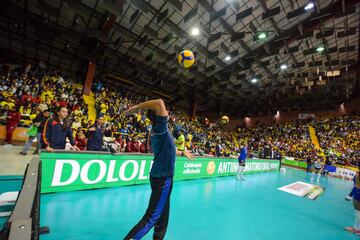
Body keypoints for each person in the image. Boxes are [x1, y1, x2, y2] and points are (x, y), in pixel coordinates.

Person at [121, 99, 193, 240]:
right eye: (164, 111)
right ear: (158, 115)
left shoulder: (162, 133)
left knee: (163, 214)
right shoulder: (160, 129)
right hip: (162, 179)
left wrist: (183, 152)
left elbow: (169, 150)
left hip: (163, 177)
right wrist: (134, 108)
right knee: (151, 218)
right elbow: (159, 102)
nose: (166, 111)